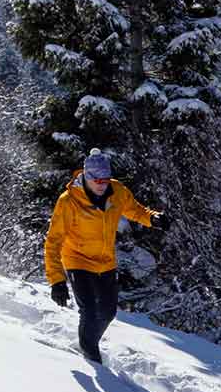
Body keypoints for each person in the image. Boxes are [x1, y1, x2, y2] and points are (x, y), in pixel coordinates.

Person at [44, 149, 166, 365]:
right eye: (97, 180)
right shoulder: (69, 201)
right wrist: (57, 281)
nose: (102, 184)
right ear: (87, 177)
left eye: (105, 179)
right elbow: (53, 242)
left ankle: (88, 341)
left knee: (108, 312)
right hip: (77, 260)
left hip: (105, 261)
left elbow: (135, 210)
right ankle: (91, 358)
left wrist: (152, 218)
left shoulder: (117, 191)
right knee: (89, 311)